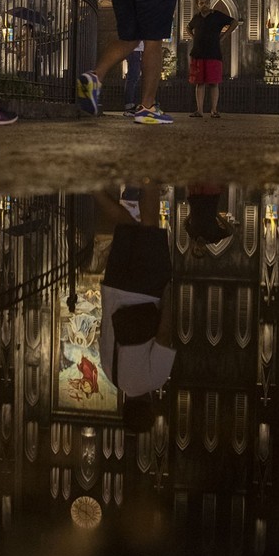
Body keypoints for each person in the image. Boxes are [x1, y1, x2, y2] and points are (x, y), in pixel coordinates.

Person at [96, 184, 175, 432]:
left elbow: (163, 336)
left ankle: (150, 170)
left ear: (149, 409)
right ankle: (94, 191)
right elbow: (103, 332)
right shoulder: (111, 374)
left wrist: (169, 296)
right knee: (126, 227)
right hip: (114, 288)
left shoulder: (155, 379)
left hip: (145, 291)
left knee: (149, 227)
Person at [186, 0, 238, 118]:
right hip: (198, 53)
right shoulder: (196, 17)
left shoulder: (217, 15)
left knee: (214, 83)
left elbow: (234, 22)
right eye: (201, 3)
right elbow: (188, 27)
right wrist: (193, 37)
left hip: (213, 53)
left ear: (210, 3)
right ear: (198, 5)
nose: (204, 5)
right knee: (199, 83)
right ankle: (199, 110)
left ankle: (214, 110)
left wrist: (224, 36)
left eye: (206, 3)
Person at [123, 41, 143, 117]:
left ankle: (130, 105)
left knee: (133, 77)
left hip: (135, 49)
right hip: (135, 49)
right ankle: (129, 106)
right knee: (133, 77)